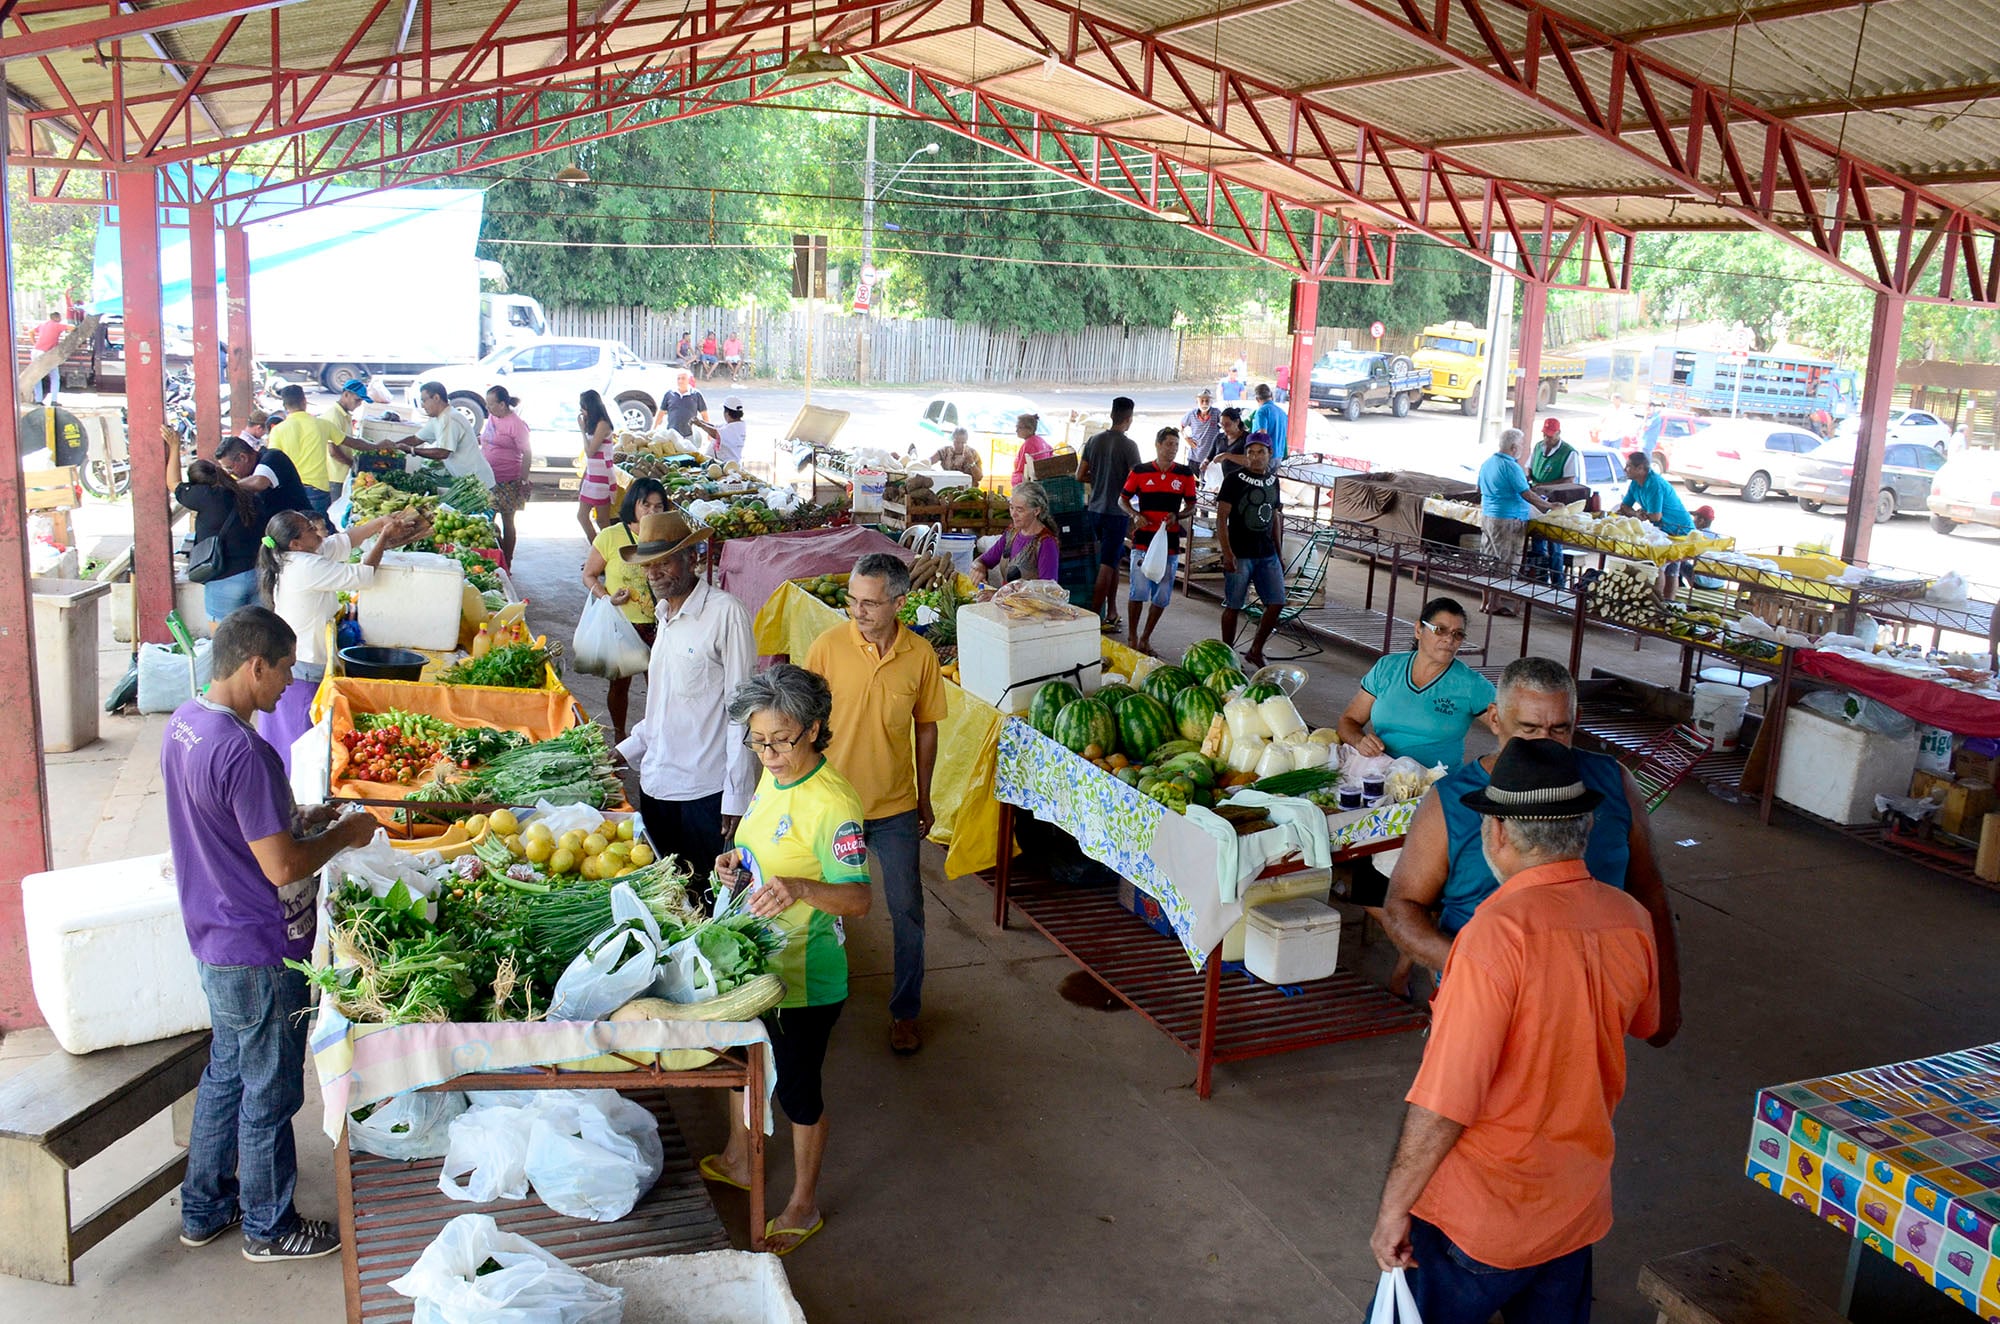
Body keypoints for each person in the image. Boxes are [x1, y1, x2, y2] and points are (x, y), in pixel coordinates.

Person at [1370, 739, 1660, 1323]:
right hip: (1575, 1205)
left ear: (1497, 832)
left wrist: (1394, 1208)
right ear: (1584, 828)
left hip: (1483, 1215)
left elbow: (1445, 1101)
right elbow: (1644, 1022)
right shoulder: (1631, 919)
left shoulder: (1493, 937)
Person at [162, 606, 379, 1263]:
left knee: (228, 1071)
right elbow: (282, 867)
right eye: (284, 668)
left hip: (212, 933)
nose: (289, 683)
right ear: (255, 665)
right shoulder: (246, 751)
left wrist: (299, 816)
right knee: (270, 1090)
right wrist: (346, 834)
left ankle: (204, 1208)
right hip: (257, 945)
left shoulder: (185, 725)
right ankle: (268, 1225)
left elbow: (233, 823)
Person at [1383, 656, 1682, 1047]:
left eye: (1559, 729)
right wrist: (1474, 966)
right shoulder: (1450, 800)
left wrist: (1666, 1000)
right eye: (1528, 729)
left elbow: (1650, 892)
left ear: (1576, 721)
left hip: (1591, 1006)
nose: (1544, 743)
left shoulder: (1614, 783)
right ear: (1494, 719)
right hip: (1484, 1008)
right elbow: (1402, 907)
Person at [704, 665, 875, 1257]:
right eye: (758, 741)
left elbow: (859, 899)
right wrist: (735, 864)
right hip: (755, 962)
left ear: (814, 728)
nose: (769, 754)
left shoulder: (835, 804)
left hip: (803, 978)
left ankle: (804, 1204)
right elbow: (762, 850)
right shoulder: (772, 776)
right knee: (740, 1058)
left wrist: (802, 888)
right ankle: (739, 1158)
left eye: (781, 740)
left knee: (799, 1091)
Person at [804, 553, 947, 1055]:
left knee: (907, 911)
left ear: (899, 603)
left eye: (869, 603)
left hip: (894, 807)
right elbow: (800, 723)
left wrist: (924, 796)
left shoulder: (921, 655)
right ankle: (811, 1003)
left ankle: (905, 1012)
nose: (857, 611)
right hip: (832, 806)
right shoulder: (827, 648)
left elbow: (925, 728)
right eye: (852, 600)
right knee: (817, 906)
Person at [616, 509, 757, 879]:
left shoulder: (725, 614)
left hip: (704, 793)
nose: (654, 573)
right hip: (655, 784)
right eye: (649, 565)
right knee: (666, 893)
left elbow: (743, 711)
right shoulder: (663, 614)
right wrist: (624, 751)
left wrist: (737, 795)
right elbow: (664, 706)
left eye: (665, 562)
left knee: (707, 894)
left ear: (692, 558)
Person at [255, 507, 427, 773]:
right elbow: (363, 575)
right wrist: (383, 537)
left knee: (288, 734)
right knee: (300, 738)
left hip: (296, 654)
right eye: (310, 529)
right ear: (296, 543)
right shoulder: (305, 566)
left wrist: (378, 523)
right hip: (304, 662)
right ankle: (296, 787)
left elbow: (343, 541)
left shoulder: (296, 554)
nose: (317, 531)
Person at [1340, 598, 1496, 773]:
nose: (1449, 639)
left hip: (1435, 784)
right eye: (1440, 630)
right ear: (1418, 630)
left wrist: (1485, 770)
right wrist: (1359, 741)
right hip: (1381, 774)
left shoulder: (1471, 684)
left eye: (1458, 634)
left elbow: (1512, 729)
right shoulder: (1388, 668)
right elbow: (1349, 721)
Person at [582, 478, 670, 742]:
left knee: (661, 687)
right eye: (646, 505)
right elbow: (589, 575)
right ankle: (620, 737)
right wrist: (607, 597)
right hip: (623, 625)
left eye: (658, 506)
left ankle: (658, 738)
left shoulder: (667, 535)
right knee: (619, 686)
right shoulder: (610, 536)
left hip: (660, 623)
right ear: (634, 504)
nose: (652, 511)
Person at [1120, 426, 1198, 652]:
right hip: (1143, 540)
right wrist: (1135, 515)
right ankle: (1132, 637)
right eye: (1169, 444)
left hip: (1169, 543)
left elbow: (1192, 506)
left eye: (1176, 445)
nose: (1173, 449)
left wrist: (1178, 515)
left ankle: (1145, 638)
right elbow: (1122, 500)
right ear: (1158, 445)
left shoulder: (1185, 474)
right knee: (1138, 591)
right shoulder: (1140, 471)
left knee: (1162, 595)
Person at [1216, 432, 1285, 666]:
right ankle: (1227, 655)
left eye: (1260, 452)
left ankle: (1256, 650)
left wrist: (1279, 552)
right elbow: (1221, 518)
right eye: (1251, 452)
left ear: (1270, 454)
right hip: (1240, 554)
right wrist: (1227, 552)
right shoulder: (1233, 479)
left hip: (1267, 553)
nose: (1255, 457)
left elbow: (1274, 517)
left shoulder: (1273, 481)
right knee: (1233, 605)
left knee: (1276, 603)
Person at [178, 458, 267, 622]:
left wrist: (174, 447)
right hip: (257, 574)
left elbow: (173, 484)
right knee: (258, 630)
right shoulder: (249, 496)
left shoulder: (205, 497)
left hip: (224, 578)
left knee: (223, 633)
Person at [1078, 396, 1140, 630]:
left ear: (1112, 415)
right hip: (1116, 512)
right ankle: (1095, 618)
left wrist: (1100, 478)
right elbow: (1136, 478)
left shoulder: (1094, 441)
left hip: (1094, 510)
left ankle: (1111, 611)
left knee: (1112, 561)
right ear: (1129, 419)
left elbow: (1079, 475)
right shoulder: (1129, 445)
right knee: (1106, 564)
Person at [1477, 427, 1551, 615]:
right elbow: (1526, 494)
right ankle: (1495, 603)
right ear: (1513, 447)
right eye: (1521, 445)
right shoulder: (1511, 467)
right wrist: (1549, 506)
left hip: (1488, 516)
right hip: (1508, 519)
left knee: (1488, 560)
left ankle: (1485, 602)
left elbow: (1479, 489)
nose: (1523, 448)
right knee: (1506, 562)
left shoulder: (1488, 463)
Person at [1616, 450, 1692, 600]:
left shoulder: (1654, 484)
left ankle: (1658, 604)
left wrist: (1638, 514)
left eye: (1629, 466)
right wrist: (1636, 514)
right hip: (1663, 529)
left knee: (1660, 567)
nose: (1625, 469)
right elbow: (1624, 506)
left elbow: (1656, 516)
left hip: (1678, 530)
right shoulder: (1635, 483)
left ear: (1640, 468)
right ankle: (1662, 604)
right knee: (1668, 569)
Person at [480, 385, 533, 563]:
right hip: (488, 477)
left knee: (507, 521)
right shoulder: (493, 417)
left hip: (508, 480)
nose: (488, 408)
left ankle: (507, 559)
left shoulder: (516, 424)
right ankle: (495, 555)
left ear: (502, 404)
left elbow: (527, 453)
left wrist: (523, 480)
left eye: (491, 404)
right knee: (488, 520)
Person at [404, 380, 493, 486]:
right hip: (466, 479)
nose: (423, 406)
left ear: (436, 398)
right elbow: (416, 439)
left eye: (424, 401)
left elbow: (443, 453)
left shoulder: (450, 418)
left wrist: (412, 450)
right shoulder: (438, 418)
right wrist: (393, 445)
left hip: (479, 481)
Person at [1526, 417, 1582, 585]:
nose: (1547, 438)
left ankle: (1558, 584)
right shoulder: (1538, 447)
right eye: (1545, 435)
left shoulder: (1569, 452)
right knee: (1538, 541)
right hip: (1537, 500)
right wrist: (1527, 479)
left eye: (1550, 435)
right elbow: (1529, 468)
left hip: (1557, 502)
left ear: (1559, 433)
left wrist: (1544, 485)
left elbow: (1569, 479)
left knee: (1554, 544)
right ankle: (1540, 580)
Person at [975, 480, 1061, 585]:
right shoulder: (1011, 534)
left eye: (1020, 510)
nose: (1013, 514)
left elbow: (1049, 588)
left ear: (1036, 511)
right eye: (1011, 508)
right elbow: (984, 560)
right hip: (1005, 595)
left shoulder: (1046, 543)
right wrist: (979, 568)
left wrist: (1012, 591)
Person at [265, 385, 333, 513]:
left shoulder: (278, 430)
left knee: (295, 524)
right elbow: (351, 442)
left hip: (291, 489)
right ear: (304, 401)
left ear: (285, 406)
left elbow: (273, 460)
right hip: (318, 488)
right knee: (319, 524)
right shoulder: (322, 424)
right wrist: (373, 446)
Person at [215, 434, 313, 518]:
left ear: (243, 457)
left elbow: (259, 482)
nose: (230, 473)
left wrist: (228, 485)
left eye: (230, 468)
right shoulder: (249, 473)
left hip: (301, 525)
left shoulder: (273, 457)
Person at [575, 389, 617, 541]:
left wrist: (581, 430)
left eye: (583, 408)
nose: (582, 411)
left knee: (602, 520)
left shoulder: (603, 424)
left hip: (602, 477)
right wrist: (584, 478)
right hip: (591, 475)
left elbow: (590, 452)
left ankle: (607, 551)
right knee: (582, 516)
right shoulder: (592, 424)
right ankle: (596, 548)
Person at [691, 395, 749, 468]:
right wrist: (701, 422)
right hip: (722, 464)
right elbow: (715, 427)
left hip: (726, 466)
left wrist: (700, 424)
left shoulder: (734, 428)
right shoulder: (735, 424)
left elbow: (716, 433)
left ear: (727, 413)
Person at [655, 368, 710, 438]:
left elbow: (704, 414)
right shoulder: (669, 394)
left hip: (690, 435)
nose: (680, 381)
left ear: (688, 380)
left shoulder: (696, 394)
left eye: (683, 378)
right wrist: (654, 429)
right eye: (678, 378)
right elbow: (661, 413)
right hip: (672, 434)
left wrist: (709, 433)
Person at [1686, 505, 1728, 590]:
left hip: (1702, 582)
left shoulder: (1695, 536)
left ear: (1701, 521)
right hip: (1719, 583)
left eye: (1694, 518)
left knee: (1676, 562)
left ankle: (1677, 587)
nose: (1693, 521)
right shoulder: (1718, 538)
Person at [1009, 412, 1052, 487]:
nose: (1016, 430)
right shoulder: (1040, 440)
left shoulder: (1029, 444)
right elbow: (1051, 451)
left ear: (1029, 429)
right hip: (1041, 478)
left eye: (1019, 427)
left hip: (1031, 481)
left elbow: (1021, 469)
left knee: (1016, 478)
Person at [32, 311, 66, 402]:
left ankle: (38, 400)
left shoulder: (42, 325)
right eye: (60, 318)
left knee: (37, 377)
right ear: (56, 318)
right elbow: (72, 328)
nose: (60, 320)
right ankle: (53, 400)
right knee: (54, 376)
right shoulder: (57, 325)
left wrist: (34, 342)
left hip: (35, 351)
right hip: (47, 353)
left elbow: (30, 332)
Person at [1182, 390, 1221, 467]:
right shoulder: (1191, 414)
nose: (1204, 403)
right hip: (1194, 457)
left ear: (1211, 402)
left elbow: (1225, 424)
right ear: (1197, 402)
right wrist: (1186, 438)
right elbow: (1181, 427)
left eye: (1207, 401)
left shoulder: (1216, 413)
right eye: (1202, 401)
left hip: (1211, 458)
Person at [1250, 383, 1288, 460]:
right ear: (1271, 396)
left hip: (1266, 456)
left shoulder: (1262, 411)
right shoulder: (1282, 412)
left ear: (1257, 399)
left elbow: (1262, 434)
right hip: (1279, 456)